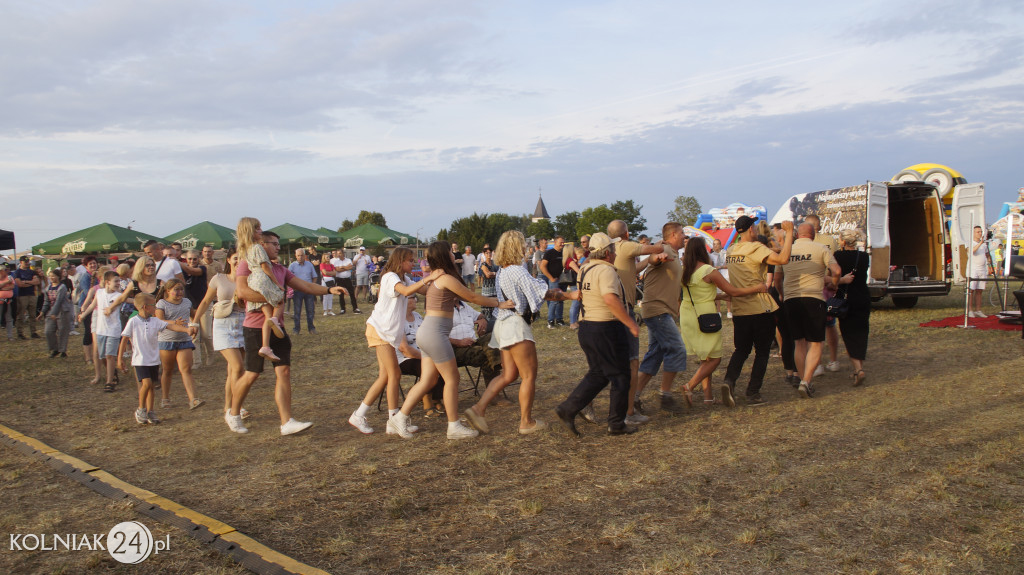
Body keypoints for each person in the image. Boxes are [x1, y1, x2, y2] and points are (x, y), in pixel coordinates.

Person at [386, 241, 511, 440]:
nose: (454, 254)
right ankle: (453, 426)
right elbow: (472, 297)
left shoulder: (439, 279)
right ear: (445, 255)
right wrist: (500, 303)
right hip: (435, 334)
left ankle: (400, 417)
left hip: (428, 333)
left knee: (428, 379)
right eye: (450, 253)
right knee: (452, 379)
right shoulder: (445, 279)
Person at [229, 230, 348, 435]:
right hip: (255, 327)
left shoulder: (280, 269)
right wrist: (274, 297)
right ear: (261, 244)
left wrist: (329, 290)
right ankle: (233, 413)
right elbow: (242, 292)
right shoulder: (247, 264)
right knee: (251, 374)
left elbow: (305, 285)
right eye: (273, 243)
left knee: (283, 371)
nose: (278, 247)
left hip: (278, 327)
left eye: (278, 243)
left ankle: (286, 422)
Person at [464, 230, 574, 435]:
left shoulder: (503, 271)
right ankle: (526, 421)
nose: (525, 248)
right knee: (529, 374)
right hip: (515, 324)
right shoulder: (517, 270)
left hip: (503, 324)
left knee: (509, 374)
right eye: (523, 244)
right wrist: (571, 295)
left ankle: (478, 409)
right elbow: (544, 293)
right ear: (517, 247)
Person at [348, 248, 442, 435]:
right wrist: (428, 278)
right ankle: (392, 419)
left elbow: (423, 290)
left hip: (387, 333)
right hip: (380, 331)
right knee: (394, 374)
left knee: (386, 376)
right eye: (410, 260)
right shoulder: (390, 277)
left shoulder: (403, 277)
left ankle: (366, 416)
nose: (413, 263)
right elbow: (407, 291)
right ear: (400, 261)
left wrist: (440, 285)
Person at [554, 232, 639, 437]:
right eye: (613, 249)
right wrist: (630, 324)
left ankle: (568, 409)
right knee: (620, 375)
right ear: (608, 252)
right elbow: (610, 299)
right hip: (606, 327)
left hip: (587, 327)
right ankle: (616, 423)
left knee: (599, 373)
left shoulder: (585, 268)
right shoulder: (606, 271)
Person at [679, 237, 769, 406]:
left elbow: (698, 292)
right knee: (715, 358)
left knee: (707, 357)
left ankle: (708, 397)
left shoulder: (685, 271)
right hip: (705, 315)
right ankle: (689, 385)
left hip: (688, 314)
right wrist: (757, 288)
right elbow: (733, 291)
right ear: (702, 251)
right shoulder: (708, 270)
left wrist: (718, 295)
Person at [721, 216, 794, 407]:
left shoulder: (731, 250)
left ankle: (729, 381)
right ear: (751, 229)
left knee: (741, 350)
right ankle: (753, 392)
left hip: (739, 308)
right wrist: (789, 233)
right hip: (760, 307)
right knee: (762, 352)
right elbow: (783, 259)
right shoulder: (757, 248)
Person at [606, 220, 664, 418]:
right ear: (627, 233)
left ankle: (586, 401)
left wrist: (648, 262)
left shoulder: (613, 250)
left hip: (609, 312)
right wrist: (664, 243)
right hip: (625, 310)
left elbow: (631, 271)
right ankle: (629, 412)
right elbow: (655, 247)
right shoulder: (626, 245)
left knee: (609, 362)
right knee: (632, 363)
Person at [779, 223, 841, 399]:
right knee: (816, 342)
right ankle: (806, 381)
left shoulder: (786, 249)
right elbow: (836, 270)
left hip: (791, 299)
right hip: (813, 297)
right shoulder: (820, 248)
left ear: (798, 234)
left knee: (799, 342)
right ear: (813, 234)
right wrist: (834, 284)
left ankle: (802, 380)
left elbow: (777, 278)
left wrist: (784, 294)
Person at [192, 248, 252, 424]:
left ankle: (228, 406)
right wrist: (194, 322)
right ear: (228, 260)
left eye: (242, 259)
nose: (238, 261)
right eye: (235, 258)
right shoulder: (218, 279)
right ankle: (237, 407)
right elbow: (205, 301)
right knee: (238, 366)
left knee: (234, 370)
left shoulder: (248, 281)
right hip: (223, 324)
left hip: (243, 323)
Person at [118, 293, 196, 425]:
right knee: (147, 384)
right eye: (153, 305)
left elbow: (170, 326)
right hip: (140, 360)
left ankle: (150, 410)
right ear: (145, 307)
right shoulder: (133, 321)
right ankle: (141, 409)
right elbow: (124, 338)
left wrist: (186, 330)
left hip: (153, 360)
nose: (155, 307)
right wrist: (120, 358)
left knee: (151, 387)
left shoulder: (155, 321)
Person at [634, 222, 686, 413]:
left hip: (662, 310)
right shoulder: (664, 249)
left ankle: (633, 398)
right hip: (657, 311)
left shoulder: (675, 253)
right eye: (682, 233)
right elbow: (655, 259)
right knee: (677, 349)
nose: (684, 236)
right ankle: (665, 395)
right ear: (673, 234)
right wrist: (657, 257)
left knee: (655, 355)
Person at [236, 217, 286, 362]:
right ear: (251, 231)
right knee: (279, 300)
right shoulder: (257, 247)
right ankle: (275, 321)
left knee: (266, 315)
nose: (261, 231)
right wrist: (276, 283)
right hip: (262, 278)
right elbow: (265, 267)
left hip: (253, 281)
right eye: (258, 228)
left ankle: (265, 346)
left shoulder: (244, 249)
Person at [153, 278, 204, 409]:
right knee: (168, 370)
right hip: (167, 340)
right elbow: (159, 321)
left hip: (184, 339)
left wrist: (194, 325)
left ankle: (193, 399)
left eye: (181, 289)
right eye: (176, 289)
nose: (180, 292)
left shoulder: (186, 302)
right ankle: (165, 398)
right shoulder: (161, 304)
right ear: (168, 291)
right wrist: (174, 322)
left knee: (186, 369)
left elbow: (193, 314)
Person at [804, 214, 841, 372]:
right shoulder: (830, 241)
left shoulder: (808, 244)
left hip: (811, 287)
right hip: (828, 287)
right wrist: (835, 282)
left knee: (812, 327)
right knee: (830, 324)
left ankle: (816, 364)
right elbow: (837, 265)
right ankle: (833, 360)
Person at [834, 229, 871, 386]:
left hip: (846, 298)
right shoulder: (864, 257)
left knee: (848, 333)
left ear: (843, 241)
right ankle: (858, 368)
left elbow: (833, 275)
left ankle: (858, 369)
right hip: (863, 296)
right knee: (862, 332)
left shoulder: (838, 256)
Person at [38, 268, 73, 357]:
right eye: (50, 276)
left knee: (62, 331)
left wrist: (54, 312)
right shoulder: (47, 288)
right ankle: (54, 348)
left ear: (58, 277)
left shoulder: (62, 287)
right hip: (51, 310)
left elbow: (59, 301)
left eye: (53, 276)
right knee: (48, 331)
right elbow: (46, 301)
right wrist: (42, 312)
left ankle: (62, 350)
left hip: (62, 311)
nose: (51, 278)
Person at [288, 248, 319, 334]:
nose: (300, 257)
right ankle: (296, 329)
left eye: (302, 255)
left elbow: (315, 276)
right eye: (298, 255)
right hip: (297, 291)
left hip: (309, 290)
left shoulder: (309, 264)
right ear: (295, 256)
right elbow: (288, 278)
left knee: (310, 310)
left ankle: (311, 328)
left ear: (304, 255)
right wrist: (293, 287)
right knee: (297, 311)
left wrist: (312, 286)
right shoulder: (292, 266)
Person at [539, 236, 567, 328]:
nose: (562, 244)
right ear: (555, 243)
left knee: (561, 300)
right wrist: (550, 278)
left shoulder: (564, 253)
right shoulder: (549, 253)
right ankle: (550, 321)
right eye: (560, 242)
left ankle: (559, 319)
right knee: (554, 300)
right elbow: (542, 266)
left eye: (563, 242)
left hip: (563, 280)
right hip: (554, 281)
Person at [12, 256, 41, 339]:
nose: (27, 263)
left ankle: (33, 332)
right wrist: (31, 283)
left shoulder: (32, 272)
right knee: (21, 315)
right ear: (21, 262)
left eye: (28, 261)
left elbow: (37, 281)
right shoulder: (17, 272)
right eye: (25, 262)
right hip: (22, 295)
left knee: (32, 315)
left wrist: (26, 282)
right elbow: (19, 284)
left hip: (31, 294)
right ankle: (20, 333)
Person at [968, 225, 994, 317]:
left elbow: (987, 254)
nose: (979, 234)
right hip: (973, 268)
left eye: (980, 232)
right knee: (971, 289)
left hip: (982, 269)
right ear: (974, 233)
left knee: (980, 290)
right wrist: (980, 243)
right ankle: (970, 310)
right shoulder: (970, 243)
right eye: (977, 232)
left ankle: (978, 310)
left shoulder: (984, 244)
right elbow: (972, 251)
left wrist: (989, 261)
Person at [330, 250, 361, 314]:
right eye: (338, 253)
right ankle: (342, 309)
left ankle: (355, 308)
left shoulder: (348, 260)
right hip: (340, 279)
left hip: (347, 279)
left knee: (351, 293)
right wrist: (346, 268)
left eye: (340, 253)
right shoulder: (336, 262)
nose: (339, 255)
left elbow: (351, 267)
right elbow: (337, 270)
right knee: (341, 295)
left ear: (343, 254)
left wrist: (343, 267)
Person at [0, 265, 14, 341]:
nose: (5, 271)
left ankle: (10, 336)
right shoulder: (8, 279)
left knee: (9, 318)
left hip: (7, 301)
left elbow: (12, 287)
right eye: (4, 270)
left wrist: (2, 288)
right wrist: (7, 282)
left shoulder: (9, 277)